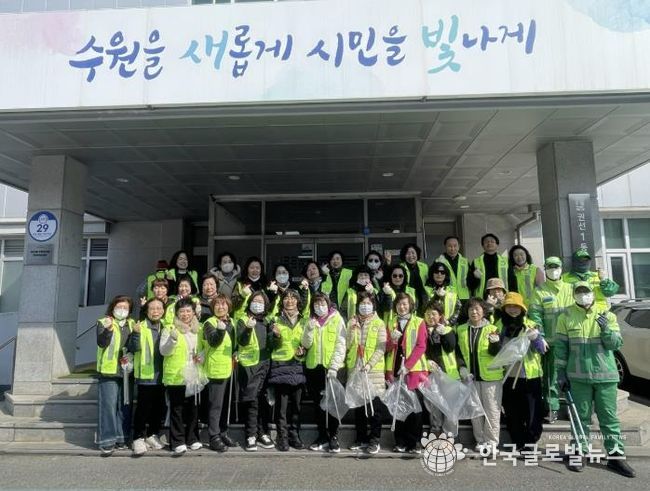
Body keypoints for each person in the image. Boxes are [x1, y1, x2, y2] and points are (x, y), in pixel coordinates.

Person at [556, 282, 635, 477]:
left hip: (605, 376)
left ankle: (615, 457)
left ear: (592, 293)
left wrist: (606, 329)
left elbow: (615, 344)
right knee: (579, 419)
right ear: (574, 294)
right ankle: (579, 453)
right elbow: (561, 348)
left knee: (609, 419)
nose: (583, 295)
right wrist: (560, 373)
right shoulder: (565, 316)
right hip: (578, 377)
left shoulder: (607, 314)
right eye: (579, 292)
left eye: (586, 291)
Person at [496, 292, 546, 452]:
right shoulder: (498, 325)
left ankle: (530, 443)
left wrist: (536, 338)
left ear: (522, 308)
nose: (512, 310)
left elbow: (542, 349)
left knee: (532, 412)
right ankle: (517, 441)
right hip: (507, 376)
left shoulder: (531, 324)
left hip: (530, 376)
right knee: (512, 412)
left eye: (516, 306)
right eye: (509, 306)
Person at [528, 256, 574, 424]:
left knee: (573, 374)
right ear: (545, 269)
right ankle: (552, 408)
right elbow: (535, 315)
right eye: (550, 267)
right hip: (551, 342)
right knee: (551, 376)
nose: (553, 270)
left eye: (556, 267)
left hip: (572, 341)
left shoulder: (571, 289)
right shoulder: (539, 291)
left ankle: (573, 406)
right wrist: (539, 337)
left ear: (561, 269)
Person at [455, 297, 503, 453]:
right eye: (471, 309)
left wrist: (495, 343)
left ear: (484, 311)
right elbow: (458, 352)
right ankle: (480, 440)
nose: (474, 312)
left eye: (477, 309)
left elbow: (496, 353)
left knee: (492, 410)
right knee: (476, 411)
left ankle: (492, 442)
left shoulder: (493, 329)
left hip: (491, 377)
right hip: (470, 377)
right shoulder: (461, 329)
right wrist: (462, 368)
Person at [302, 293, 347, 453]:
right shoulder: (310, 320)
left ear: (328, 304)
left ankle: (333, 436)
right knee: (318, 404)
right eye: (316, 304)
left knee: (333, 402)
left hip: (332, 368)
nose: (319, 307)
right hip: (314, 367)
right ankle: (322, 436)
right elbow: (306, 344)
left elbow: (341, 344)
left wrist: (334, 366)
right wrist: (309, 328)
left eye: (322, 304)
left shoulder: (337, 319)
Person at [159, 298, 205, 455]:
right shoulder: (170, 328)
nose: (185, 314)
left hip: (194, 373)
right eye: (182, 311)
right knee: (177, 409)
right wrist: (172, 340)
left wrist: (201, 357)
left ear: (193, 312)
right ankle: (177, 441)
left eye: (188, 311)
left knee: (193, 407)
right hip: (176, 375)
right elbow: (164, 351)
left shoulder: (199, 329)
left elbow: (203, 349)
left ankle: (193, 438)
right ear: (177, 313)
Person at [385, 293, 429, 454]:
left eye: (405, 304)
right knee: (398, 407)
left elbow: (421, 346)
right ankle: (400, 442)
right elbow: (386, 348)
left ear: (410, 305)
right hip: (395, 369)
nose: (402, 307)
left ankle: (414, 442)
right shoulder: (391, 322)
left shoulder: (419, 322)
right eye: (399, 304)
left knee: (415, 408)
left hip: (414, 371)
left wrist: (408, 366)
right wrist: (392, 341)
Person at [345, 291, 387, 455]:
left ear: (373, 306)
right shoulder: (352, 322)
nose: (365, 306)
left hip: (373, 371)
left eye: (368, 303)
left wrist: (370, 365)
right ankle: (361, 438)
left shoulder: (379, 323)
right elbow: (348, 344)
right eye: (362, 303)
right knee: (359, 407)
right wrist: (352, 329)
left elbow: (381, 348)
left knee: (375, 408)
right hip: (356, 370)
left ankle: (374, 440)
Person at [267, 289, 308, 451]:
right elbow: (271, 345)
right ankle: (282, 437)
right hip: (281, 367)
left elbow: (308, 343)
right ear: (281, 301)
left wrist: (304, 351)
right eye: (286, 298)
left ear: (298, 301)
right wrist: (276, 336)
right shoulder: (275, 320)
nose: (289, 301)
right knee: (282, 407)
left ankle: (294, 435)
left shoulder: (304, 321)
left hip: (298, 366)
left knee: (297, 406)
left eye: (293, 298)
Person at [96, 295, 135, 455]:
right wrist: (108, 330)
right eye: (119, 307)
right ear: (112, 308)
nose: (122, 310)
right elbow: (101, 343)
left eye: (125, 308)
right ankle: (107, 440)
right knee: (109, 406)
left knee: (125, 406)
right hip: (109, 372)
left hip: (127, 371)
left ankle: (122, 438)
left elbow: (134, 345)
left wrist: (130, 356)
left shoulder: (132, 324)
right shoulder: (104, 322)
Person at [237, 291, 275, 451]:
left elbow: (272, 345)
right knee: (251, 400)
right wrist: (247, 328)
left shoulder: (267, 321)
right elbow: (242, 341)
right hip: (249, 367)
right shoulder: (243, 320)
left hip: (265, 364)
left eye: (261, 302)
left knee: (263, 400)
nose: (257, 304)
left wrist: (275, 334)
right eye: (255, 301)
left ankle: (262, 432)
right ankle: (250, 434)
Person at [129, 298, 166, 456]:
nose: (156, 311)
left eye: (159, 308)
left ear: (163, 310)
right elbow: (133, 348)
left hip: (163, 375)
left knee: (158, 407)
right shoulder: (140, 326)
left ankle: (152, 435)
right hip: (146, 375)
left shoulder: (166, 326)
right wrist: (136, 334)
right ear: (147, 310)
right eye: (152, 308)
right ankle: (137, 437)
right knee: (143, 408)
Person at [203, 294, 238, 452]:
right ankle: (213, 436)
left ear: (228, 307)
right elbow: (213, 341)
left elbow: (234, 343)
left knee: (225, 405)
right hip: (215, 369)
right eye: (217, 304)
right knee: (215, 405)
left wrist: (236, 352)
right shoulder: (209, 323)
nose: (220, 307)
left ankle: (223, 432)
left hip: (229, 368)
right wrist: (220, 329)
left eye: (223, 304)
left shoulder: (232, 322)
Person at [422, 300, 459, 436]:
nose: (430, 317)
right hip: (430, 374)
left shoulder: (448, 330)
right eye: (428, 314)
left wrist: (444, 333)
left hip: (448, 374)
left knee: (450, 407)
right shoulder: (422, 331)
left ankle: (450, 436)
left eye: (434, 314)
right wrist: (426, 362)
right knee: (433, 406)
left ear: (440, 316)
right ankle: (435, 432)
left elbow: (450, 347)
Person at [468, 233, 508, 299]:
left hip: (502, 296)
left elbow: (512, 281)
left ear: (497, 244)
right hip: (482, 297)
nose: (489, 243)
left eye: (492, 241)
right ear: (482, 245)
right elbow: (470, 284)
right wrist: (475, 278)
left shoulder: (506, 262)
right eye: (486, 242)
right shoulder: (476, 262)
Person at [424, 261, 462, 326]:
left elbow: (458, 308)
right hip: (430, 327)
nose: (439, 274)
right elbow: (424, 308)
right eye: (436, 272)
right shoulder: (425, 289)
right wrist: (436, 297)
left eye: (442, 272)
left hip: (448, 327)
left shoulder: (452, 290)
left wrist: (450, 322)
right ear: (432, 273)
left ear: (445, 275)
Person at [436, 236, 471, 303]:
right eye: (449, 246)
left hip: (464, 297)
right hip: (447, 297)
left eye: (455, 246)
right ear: (445, 247)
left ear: (459, 246)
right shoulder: (439, 262)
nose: (452, 249)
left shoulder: (465, 262)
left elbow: (470, 281)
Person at [399, 243, 429, 309]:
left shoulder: (424, 266)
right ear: (404, 255)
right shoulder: (400, 267)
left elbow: (429, 281)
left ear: (417, 254)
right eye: (408, 253)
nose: (411, 256)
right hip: (408, 297)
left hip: (423, 296)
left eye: (413, 253)